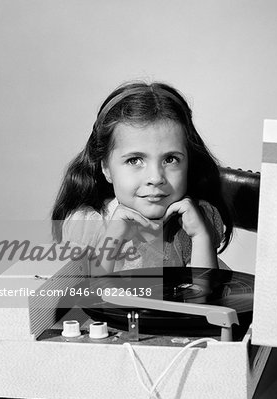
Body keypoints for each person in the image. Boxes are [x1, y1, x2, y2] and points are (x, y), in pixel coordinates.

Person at [51, 81, 233, 274]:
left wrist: (199, 236)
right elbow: (89, 299)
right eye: (134, 160)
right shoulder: (88, 226)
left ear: (189, 162)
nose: (155, 178)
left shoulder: (196, 220)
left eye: (170, 159)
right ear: (105, 167)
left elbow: (207, 297)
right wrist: (111, 241)